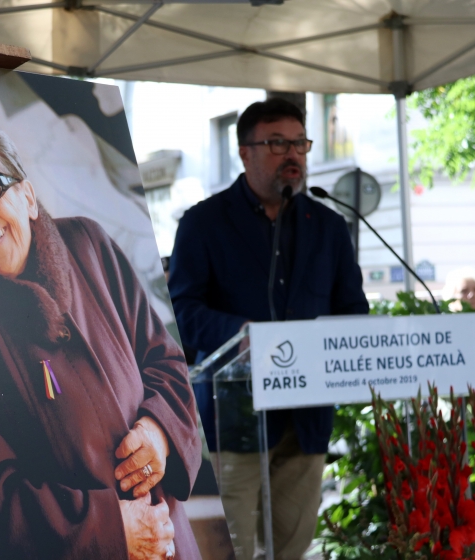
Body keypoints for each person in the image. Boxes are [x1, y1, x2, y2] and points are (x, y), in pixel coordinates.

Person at [0, 108, 202, 560]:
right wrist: (108, 530)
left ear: (26, 195)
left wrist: (159, 432)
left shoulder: (89, 245)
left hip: (168, 539)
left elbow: (165, 363)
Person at [168, 98, 369, 560]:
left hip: (306, 420)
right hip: (232, 420)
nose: (293, 153)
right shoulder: (203, 223)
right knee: (228, 550)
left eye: (300, 142)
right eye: (277, 143)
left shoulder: (330, 226)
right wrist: (247, 336)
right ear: (245, 151)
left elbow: (353, 312)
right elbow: (182, 311)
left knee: (292, 550)